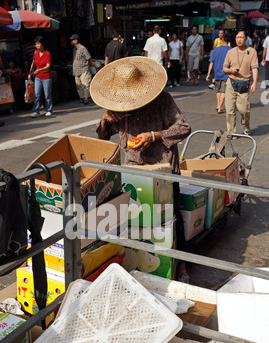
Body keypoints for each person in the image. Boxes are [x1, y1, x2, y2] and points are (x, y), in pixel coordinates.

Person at [90, 56, 191, 282]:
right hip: (133, 171)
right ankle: (141, 265)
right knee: (136, 219)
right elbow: (103, 135)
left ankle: (181, 265)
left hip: (163, 170)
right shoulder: (118, 105)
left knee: (172, 219)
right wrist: (105, 121)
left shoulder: (163, 100)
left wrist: (155, 135)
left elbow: (184, 127)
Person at [222, 29, 259, 136]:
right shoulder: (230, 52)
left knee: (244, 110)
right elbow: (224, 68)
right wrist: (230, 71)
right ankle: (231, 131)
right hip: (230, 83)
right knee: (229, 110)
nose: (239, 40)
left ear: (246, 39)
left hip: (244, 84)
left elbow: (255, 68)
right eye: (237, 37)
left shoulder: (252, 52)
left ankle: (246, 127)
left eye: (241, 37)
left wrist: (254, 83)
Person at [206, 31, 232, 113]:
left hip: (217, 73)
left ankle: (218, 104)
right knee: (223, 91)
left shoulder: (216, 50)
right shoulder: (231, 50)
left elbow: (211, 63)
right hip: (226, 74)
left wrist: (208, 73)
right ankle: (220, 107)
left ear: (222, 39)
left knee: (218, 91)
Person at [28, 35, 53, 117]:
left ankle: (49, 110)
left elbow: (48, 66)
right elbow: (33, 63)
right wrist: (30, 73)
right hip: (38, 77)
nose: (37, 46)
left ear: (42, 44)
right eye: (36, 44)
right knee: (37, 94)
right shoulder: (36, 53)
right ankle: (36, 110)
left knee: (47, 95)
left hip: (46, 77)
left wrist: (40, 70)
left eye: (38, 44)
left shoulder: (47, 54)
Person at [70, 34, 93, 105]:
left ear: (76, 40)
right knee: (79, 85)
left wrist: (90, 64)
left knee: (85, 84)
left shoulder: (82, 48)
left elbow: (88, 57)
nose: (71, 41)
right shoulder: (74, 49)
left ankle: (86, 98)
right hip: (76, 70)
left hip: (83, 69)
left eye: (72, 40)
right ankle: (82, 98)